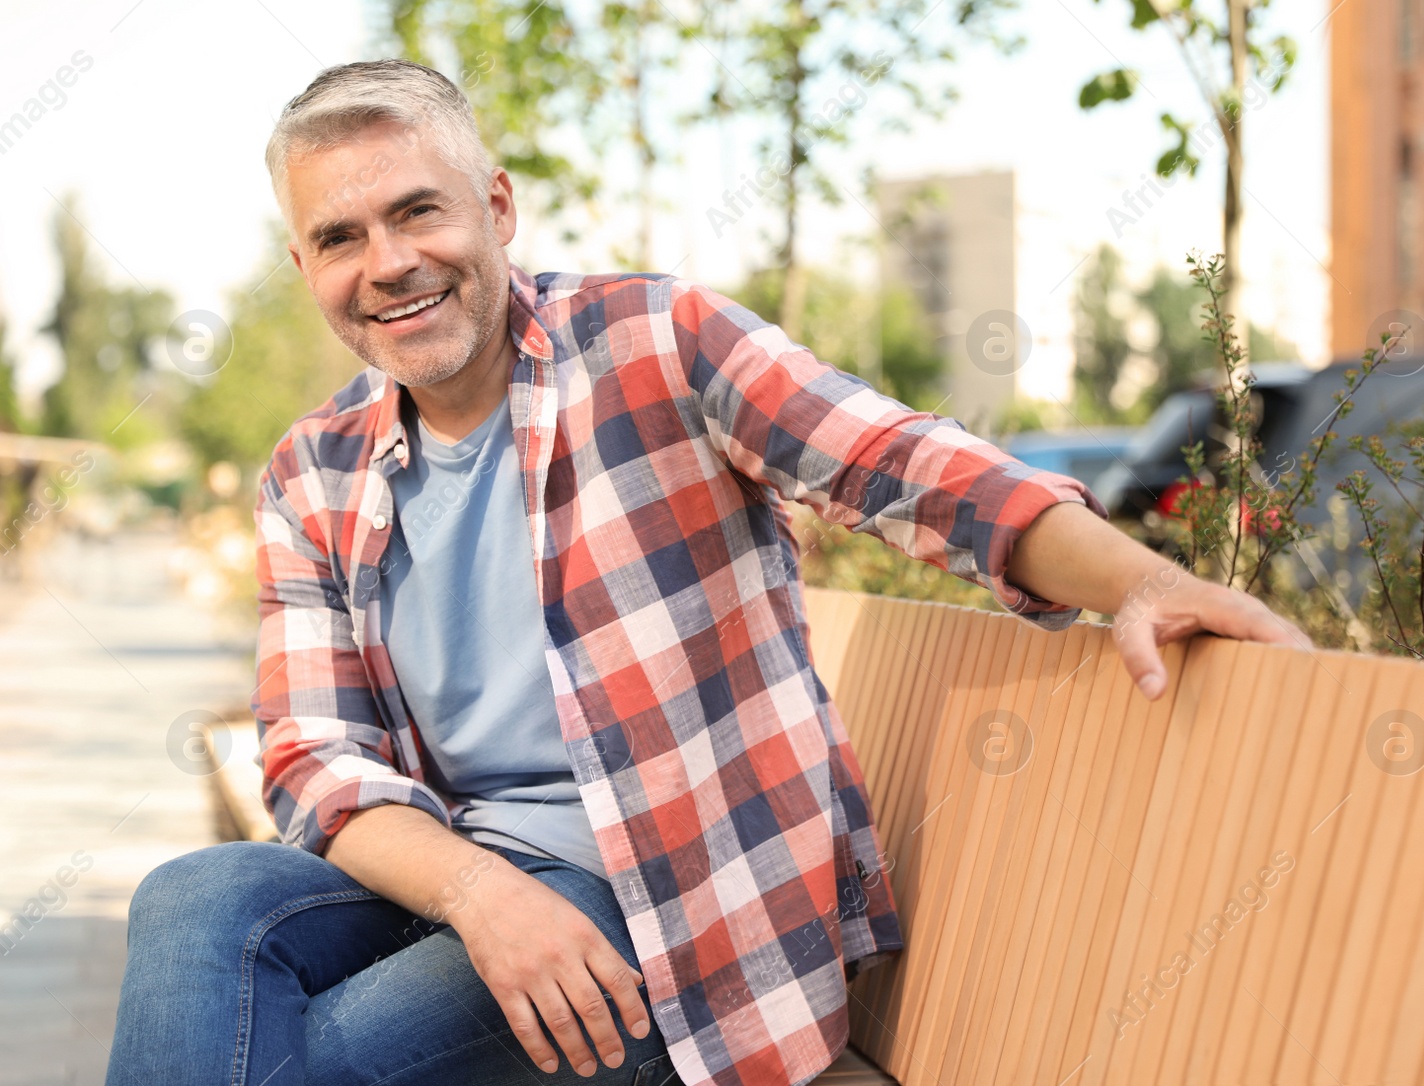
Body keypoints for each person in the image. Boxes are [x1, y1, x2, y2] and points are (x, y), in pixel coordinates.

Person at [107, 59, 1310, 1086]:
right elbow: (314, 759)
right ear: (303, 261)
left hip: (675, 911)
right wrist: (482, 897)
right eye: (339, 237)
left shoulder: (654, 345)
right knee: (194, 902)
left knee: (317, 1054)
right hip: (474, 881)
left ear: (497, 206)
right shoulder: (312, 469)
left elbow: (896, 462)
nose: (387, 263)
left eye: (418, 213)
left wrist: (1135, 577)